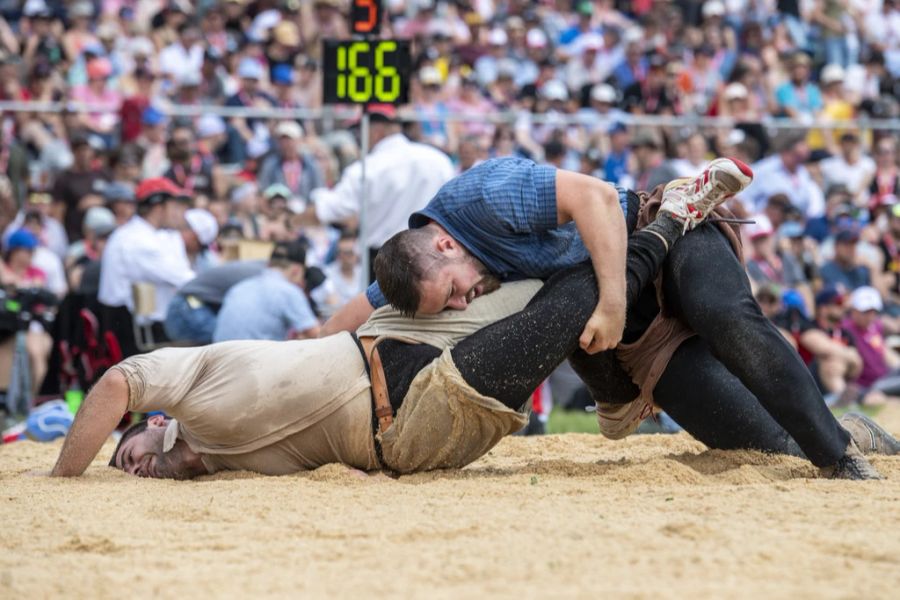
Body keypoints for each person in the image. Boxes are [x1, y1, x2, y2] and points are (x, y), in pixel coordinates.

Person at [327, 156, 880, 479]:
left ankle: (839, 461)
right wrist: (304, 352)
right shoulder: (419, 267)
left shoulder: (485, 194)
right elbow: (360, 312)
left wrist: (612, 304)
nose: (459, 306)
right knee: (766, 446)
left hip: (662, 233)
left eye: (451, 293)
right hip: (636, 337)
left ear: (447, 245)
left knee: (724, 316)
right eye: (446, 307)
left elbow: (592, 197)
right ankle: (856, 434)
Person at [49, 273, 900, 480]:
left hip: (410, 402)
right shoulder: (219, 455)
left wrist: (75, 472)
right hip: (417, 418)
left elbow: (117, 384)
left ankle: (847, 434)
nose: (141, 467)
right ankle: (654, 234)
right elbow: (122, 393)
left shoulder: (194, 397)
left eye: (135, 454)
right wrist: (93, 476)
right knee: (564, 300)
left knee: (557, 297)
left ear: (151, 426)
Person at [304, 105, 455, 282]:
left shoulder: (366, 168)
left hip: (385, 261)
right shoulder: (438, 160)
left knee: (383, 310)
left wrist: (293, 221)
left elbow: (331, 210)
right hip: (433, 260)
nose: (358, 138)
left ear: (376, 131)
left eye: (360, 131)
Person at [98, 177, 194, 356]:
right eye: (175, 206)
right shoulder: (138, 241)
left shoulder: (148, 235)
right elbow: (183, 278)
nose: (180, 213)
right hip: (135, 333)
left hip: (142, 327)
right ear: (159, 208)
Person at [213, 241, 320, 342]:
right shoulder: (288, 292)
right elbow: (317, 335)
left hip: (220, 357)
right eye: (304, 274)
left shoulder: (240, 287)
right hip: (252, 359)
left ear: (269, 264)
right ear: (296, 270)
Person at [165, 260, 265, 345]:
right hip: (188, 305)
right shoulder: (264, 276)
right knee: (227, 347)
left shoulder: (262, 270)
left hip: (191, 304)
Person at [311, 232, 364, 318]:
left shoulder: (363, 272)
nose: (351, 256)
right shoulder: (325, 274)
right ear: (339, 254)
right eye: (347, 253)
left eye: (353, 252)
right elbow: (318, 304)